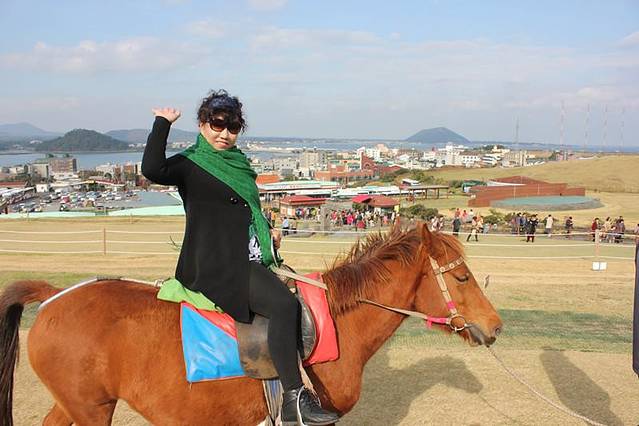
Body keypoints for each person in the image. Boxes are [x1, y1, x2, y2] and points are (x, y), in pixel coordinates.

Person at [141, 90, 338, 425]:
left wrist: (266, 233)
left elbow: (246, 212)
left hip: (248, 257)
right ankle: (294, 397)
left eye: (232, 128)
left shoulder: (239, 164)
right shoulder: (190, 163)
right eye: (217, 125)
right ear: (202, 125)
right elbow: (152, 168)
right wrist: (163, 123)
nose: (224, 134)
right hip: (216, 265)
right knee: (284, 306)